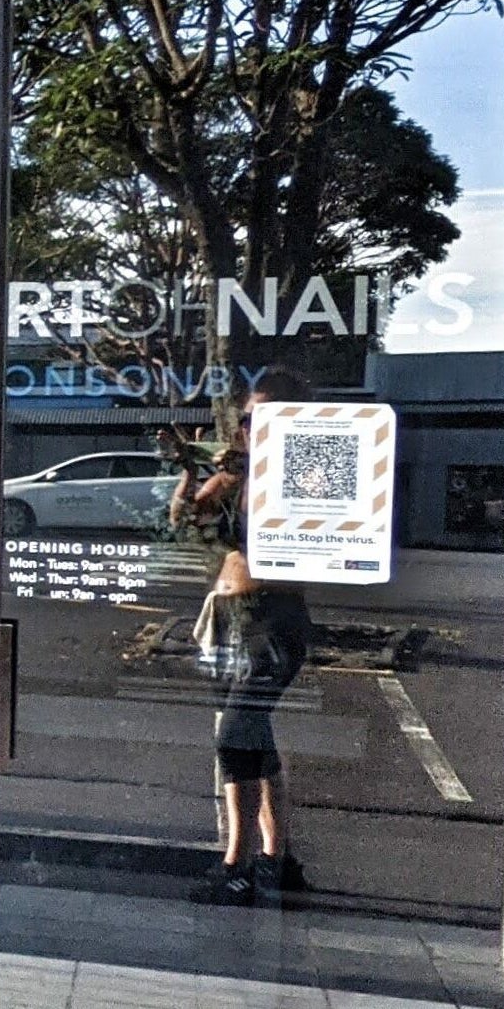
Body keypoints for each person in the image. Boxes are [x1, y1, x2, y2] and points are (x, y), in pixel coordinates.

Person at [176, 369, 315, 906]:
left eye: (265, 419)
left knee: (236, 736)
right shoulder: (242, 472)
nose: (252, 428)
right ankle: (276, 858)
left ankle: (237, 863)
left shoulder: (298, 474)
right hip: (230, 614)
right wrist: (195, 477)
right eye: (248, 419)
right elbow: (189, 522)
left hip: (272, 616)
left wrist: (252, 472)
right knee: (253, 740)